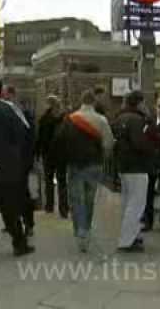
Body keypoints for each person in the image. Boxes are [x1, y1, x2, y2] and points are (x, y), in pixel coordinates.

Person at [54, 90, 114, 253]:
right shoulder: (101, 120)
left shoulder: (70, 119)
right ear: (94, 102)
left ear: (81, 101)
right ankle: (86, 229)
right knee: (89, 199)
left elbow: (59, 140)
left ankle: (80, 232)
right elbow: (108, 144)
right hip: (94, 164)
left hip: (74, 165)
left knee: (76, 199)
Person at [0, 78, 34, 256]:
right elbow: (22, 134)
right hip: (7, 166)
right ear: (0, 91)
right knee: (10, 207)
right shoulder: (8, 108)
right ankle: (19, 244)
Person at [114, 91, 156, 252]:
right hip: (137, 166)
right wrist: (151, 148)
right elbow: (140, 143)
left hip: (123, 166)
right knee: (137, 204)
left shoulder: (120, 118)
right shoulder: (136, 120)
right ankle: (127, 240)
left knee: (127, 203)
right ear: (139, 103)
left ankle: (129, 235)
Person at [4, 85, 35, 237]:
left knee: (22, 192)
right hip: (15, 159)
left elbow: (29, 138)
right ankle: (17, 221)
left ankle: (28, 223)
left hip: (21, 160)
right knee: (15, 192)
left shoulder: (23, 114)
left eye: (8, 97)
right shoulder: (15, 113)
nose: (6, 100)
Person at [142, 96, 160, 232]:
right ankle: (148, 221)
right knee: (148, 193)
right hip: (151, 161)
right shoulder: (150, 122)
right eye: (159, 107)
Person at [36, 95, 68, 217]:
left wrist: (38, 152)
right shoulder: (64, 119)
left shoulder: (44, 119)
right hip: (61, 154)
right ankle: (63, 209)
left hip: (47, 154)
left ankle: (49, 206)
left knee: (49, 181)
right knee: (62, 181)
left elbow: (40, 138)